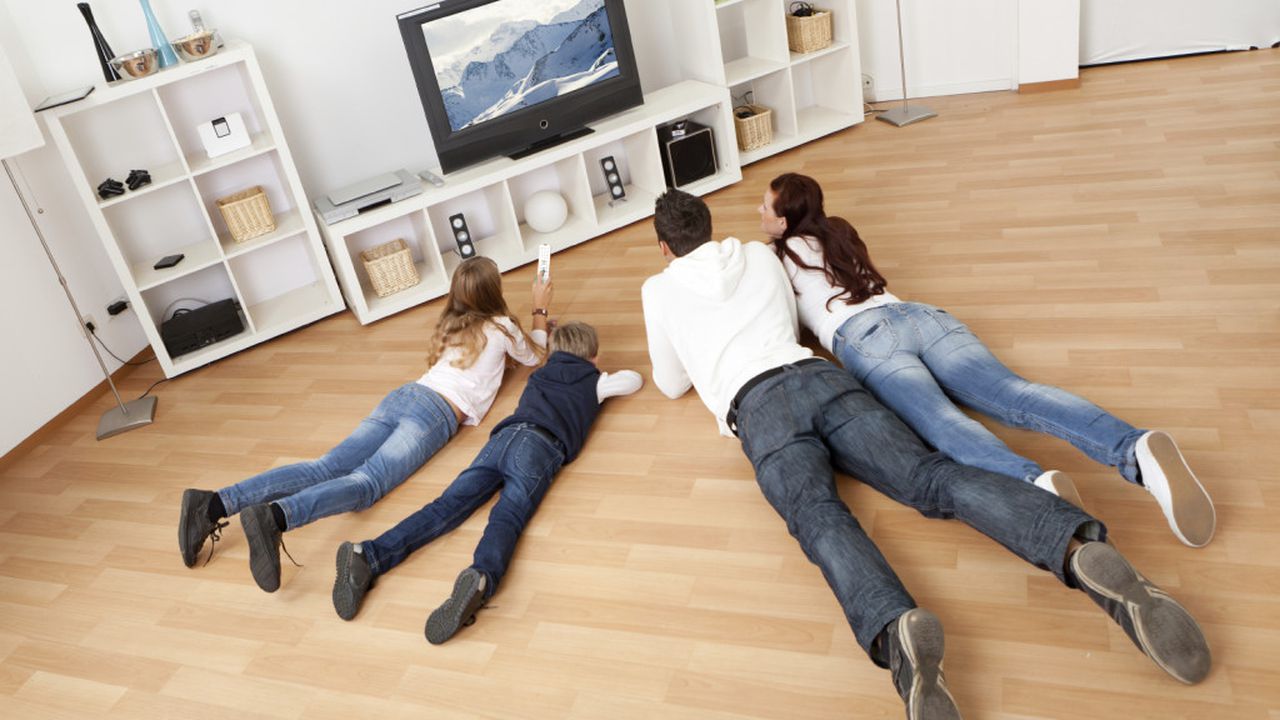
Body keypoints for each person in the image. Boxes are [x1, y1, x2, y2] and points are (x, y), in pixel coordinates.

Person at [640, 189, 1210, 719]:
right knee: (931, 478)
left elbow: (669, 383)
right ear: (710, 227)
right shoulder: (762, 258)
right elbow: (790, 323)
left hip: (758, 407)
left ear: (664, 246)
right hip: (820, 377)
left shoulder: (657, 288)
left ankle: (897, 629)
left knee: (821, 520)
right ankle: (1073, 547)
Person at [760, 172, 1215, 548]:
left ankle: (1034, 484)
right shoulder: (840, 231)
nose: (759, 213)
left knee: (942, 424)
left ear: (783, 222)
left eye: (765, 208)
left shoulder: (774, 258)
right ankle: (1133, 446)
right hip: (920, 315)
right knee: (1015, 395)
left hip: (865, 339)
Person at [177, 256, 552, 592]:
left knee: (325, 466)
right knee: (367, 483)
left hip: (404, 396)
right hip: (435, 414)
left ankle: (213, 504)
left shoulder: (452, 323)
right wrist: (539, 308)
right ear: (493, 293)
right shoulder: (503, 327)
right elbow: (536, 355)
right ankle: (276, 516)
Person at [330, 321, 642, 644]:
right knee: (508, 517)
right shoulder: (593, 381)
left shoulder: (540, 375)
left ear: (554, 353)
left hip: (503, 438)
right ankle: (480, 577)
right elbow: (633, 381)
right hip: (539, 447)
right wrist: (600, 378)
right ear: (593, 356)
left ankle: (367, 555)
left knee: (445, 507)